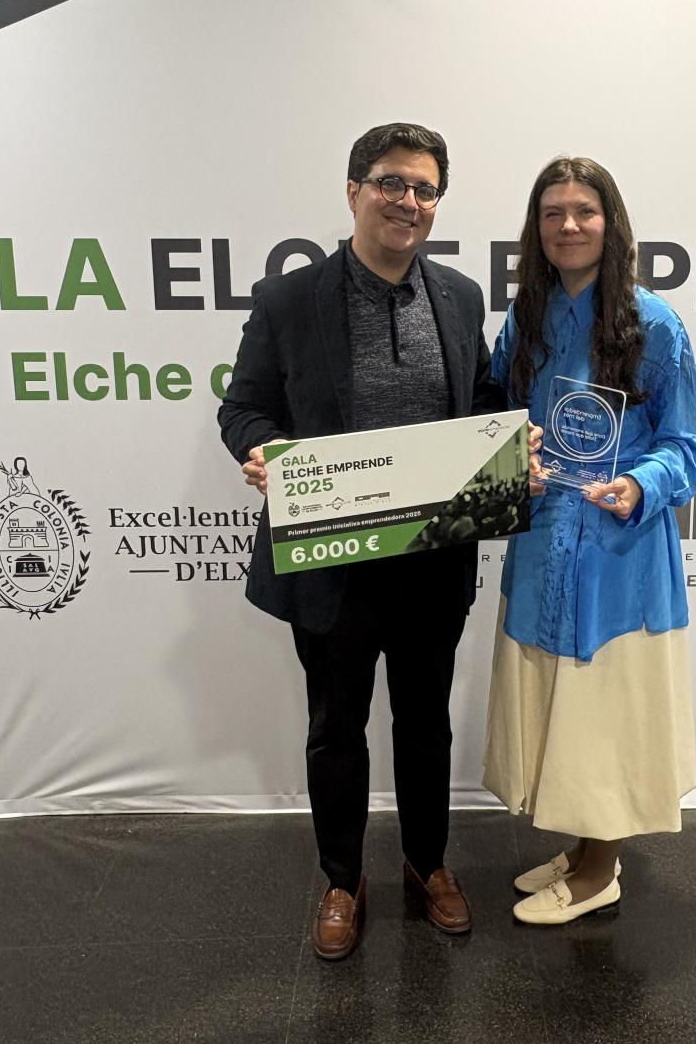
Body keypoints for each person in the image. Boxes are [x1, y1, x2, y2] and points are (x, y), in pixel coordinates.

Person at [218, 123, 504, 959]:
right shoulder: (288, 300)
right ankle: (342, 879)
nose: (407, 201)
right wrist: (262, 450)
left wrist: (509, 447)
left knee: (425, 725)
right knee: (335, 728)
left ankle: (428, 865)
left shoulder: (461, 297)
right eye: (390, 183)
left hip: (435, 557)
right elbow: (244, 407)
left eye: (424, 188)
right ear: (354, 191)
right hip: (331, 562)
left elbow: (483, 399)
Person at [482, 156, 696, 925]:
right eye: (553, 213)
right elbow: (496, 418)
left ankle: (601, 871)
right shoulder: (526, 320)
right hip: (544, 540)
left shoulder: (656, 324)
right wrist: (514, 461)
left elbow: (684, 447)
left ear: (611, 223)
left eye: (584, 211)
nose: (568, 225)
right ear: (536, 229)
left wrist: (640, 484)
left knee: (605, 715)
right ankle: (581, 849)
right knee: (561, 706)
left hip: (618, 551)